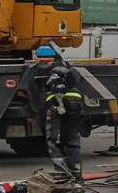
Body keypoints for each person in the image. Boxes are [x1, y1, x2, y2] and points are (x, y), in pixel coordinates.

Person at [24, 45, 86, 180]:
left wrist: (39, 115)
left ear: (36, 57)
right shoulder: (67, 67)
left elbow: (31, 93)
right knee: (72, 140)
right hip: (75, 106)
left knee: (53, 141)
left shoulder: (34, 71)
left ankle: (62, 174)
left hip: (53, 108)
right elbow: (78, 83)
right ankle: (76, 173)